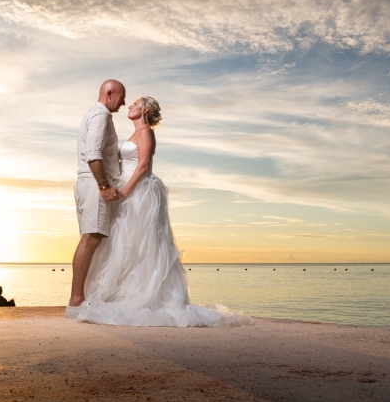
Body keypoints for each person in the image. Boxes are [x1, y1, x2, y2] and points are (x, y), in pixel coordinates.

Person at [74, 96, 252, 327]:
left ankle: (144, 294)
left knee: (143, 241)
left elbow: (144, 166)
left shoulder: (146, 131)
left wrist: (126, 190)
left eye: (135, 104)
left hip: (139, 190)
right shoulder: (133, 134)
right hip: (125, 188)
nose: (129, 106)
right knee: (124, 241)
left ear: (145, 110)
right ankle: (121, 291)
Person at [66, 79, 126, 319]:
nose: (123, 102)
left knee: (90, 239)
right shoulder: (100, 116)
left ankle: (79, 297)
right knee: (91, 239)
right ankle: (76, 300)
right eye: (121, 97)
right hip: (93, 183)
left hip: (87, 181)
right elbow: (93, 154)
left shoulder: (95, 114)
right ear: (109, 92)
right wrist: (104, 186)